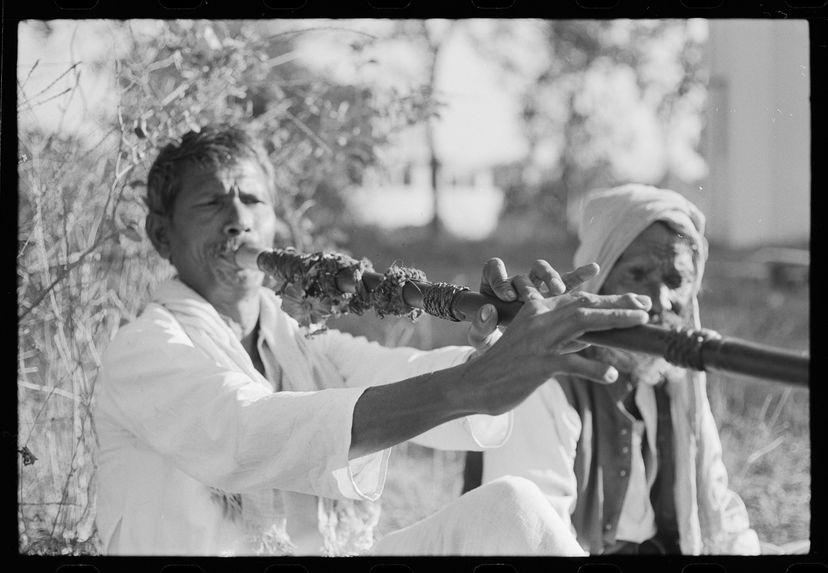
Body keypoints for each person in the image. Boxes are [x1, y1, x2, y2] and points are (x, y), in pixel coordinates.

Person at [93, 125, 653, 556]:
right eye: (212, 204)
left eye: (253, 201)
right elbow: (246, 432)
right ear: (162, 236)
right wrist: (472, 384)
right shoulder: (143, 349)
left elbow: (409, 373)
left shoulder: (304, 346)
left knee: (515, 510)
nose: (238, 220)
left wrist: (500, 343)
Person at [469, 184, 763, 555]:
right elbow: (533, 538)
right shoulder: (545, 380)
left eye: (676, 281)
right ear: (599, 283)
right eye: (637, 275)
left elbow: (720, 512)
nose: (658, 302)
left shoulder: (680, 382)